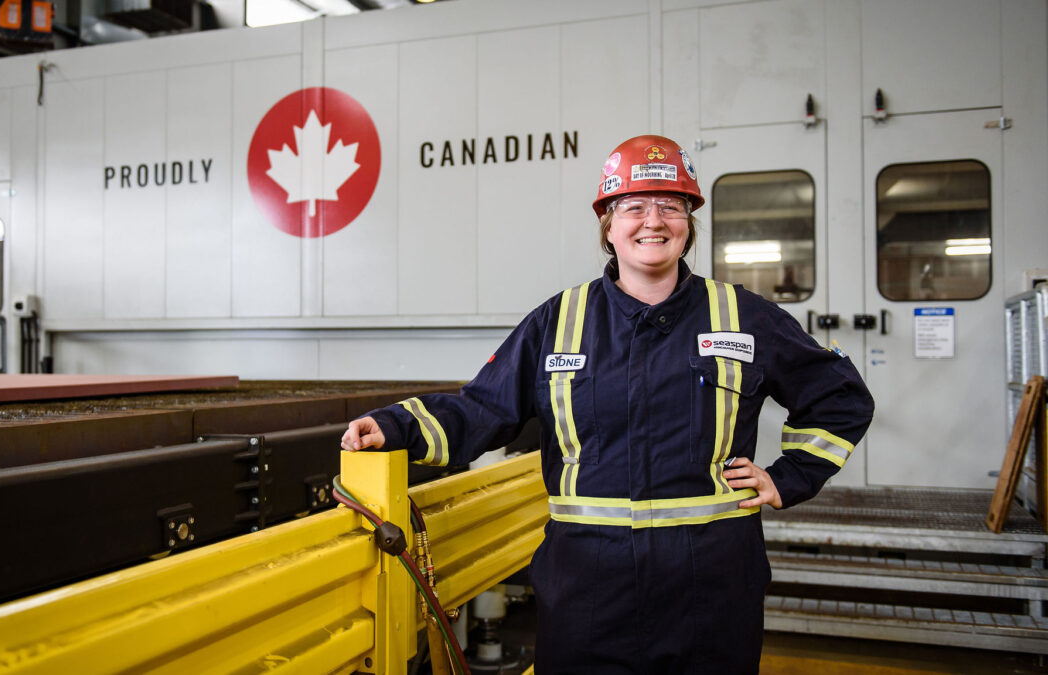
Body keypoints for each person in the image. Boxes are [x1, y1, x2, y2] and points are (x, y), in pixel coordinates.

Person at [341, 134, 874, 674]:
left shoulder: (742, 316)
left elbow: (840, 399)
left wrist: (791, 476)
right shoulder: (558, 322)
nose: (654, 221)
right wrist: (395, 426)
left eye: (671, 206)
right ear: (608, 224)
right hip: (587, 590)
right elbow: (483, 409)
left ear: (688, 224)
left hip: (711, 588)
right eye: (634, 207)